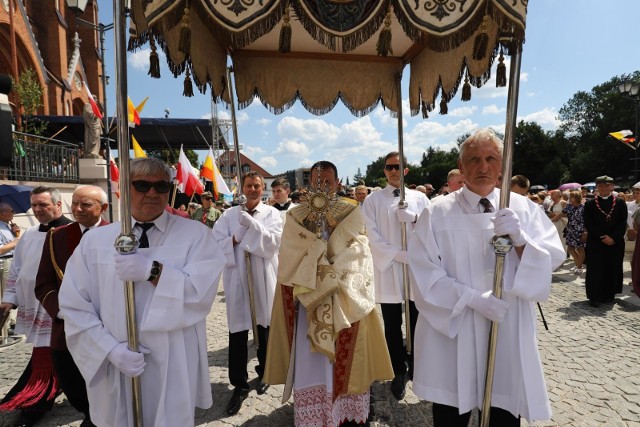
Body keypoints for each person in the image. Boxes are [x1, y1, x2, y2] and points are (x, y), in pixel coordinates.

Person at [408, 129, 565, 426]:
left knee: (504, 411)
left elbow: (553, 258)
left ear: (503, 166)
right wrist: (471, 299)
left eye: (491, 158)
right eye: (474, 159)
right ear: (462, 165)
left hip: (507, 325)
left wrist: (520, 239)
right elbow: (423, 271)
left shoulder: (522, 209)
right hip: (454, 329)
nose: (483, 167)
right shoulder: (437, 213)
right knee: (451, 413)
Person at [58, 158, 225, 426]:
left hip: (173, 356)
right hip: (116, 357)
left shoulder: (196, 235)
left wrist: (153, 272)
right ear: (124, 188)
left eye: (161, 186)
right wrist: (109, 349)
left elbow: (201, 293)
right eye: (142, 185)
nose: (152, 192)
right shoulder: (95, 241)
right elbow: (74, 304)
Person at [264, 161, 393, 427]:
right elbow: (289, 255)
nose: (322, 185)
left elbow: (360, 251)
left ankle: (346, 415)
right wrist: (318, 263)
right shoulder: (296, 215)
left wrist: (329, 271)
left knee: (348, 361)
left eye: (327, 180)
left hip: (344, 298)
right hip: (308, 300)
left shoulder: (352, 211)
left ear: (337, 183)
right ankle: (317, 416)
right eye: (317, 180)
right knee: (313, 361)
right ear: (310, 184)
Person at [34, 185, 109, 427]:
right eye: (74, 203)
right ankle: (89, 413)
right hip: (67, 330)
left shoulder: (119, 235)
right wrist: (62, 311)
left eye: (85, 204)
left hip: (107, 328)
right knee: (72, 382)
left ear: (103, 208)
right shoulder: (58, 236)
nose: (77, 209)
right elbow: (44, 283)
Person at [211, 171, 283, 416]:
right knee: (239, 330)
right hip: (238, 277)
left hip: (263, 275)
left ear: (263, 189)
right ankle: (239, 383)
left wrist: (253, 227)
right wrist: (234, 237)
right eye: (249, 185)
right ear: (241, 187)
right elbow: (215, 243)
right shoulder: (228, 215)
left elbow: (274, 244)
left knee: (265, 326)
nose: (253, 189)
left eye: (257, 186)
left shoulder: (272, 213)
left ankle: (265, 372)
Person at [0, 186, 73, 426]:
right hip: (33, 304)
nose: (38, 209)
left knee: (53, 353)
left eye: (43, 204)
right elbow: (17, 269)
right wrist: (9, 298)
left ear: (58, 205)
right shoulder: (30, 233)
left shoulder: (71, 232)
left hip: (59, 307)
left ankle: (39, 397)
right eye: (35, 205)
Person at [361, 151, 429, 400]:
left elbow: (434, 227)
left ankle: (418, 364)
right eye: (389, 167)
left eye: (397, 167)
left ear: (406, 170)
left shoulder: (420, 198)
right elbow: (369, 231)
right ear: (384, 170)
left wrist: (416, 219)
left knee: (417, 318)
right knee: (392, 323)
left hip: (415, 266)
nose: (393, 171)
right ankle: (398, 369)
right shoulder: (373, 200)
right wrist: (394, 254)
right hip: (389, 267)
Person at [583, 175, 628, 307]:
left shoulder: (620, 203)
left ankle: (609, 294)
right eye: (601, 185)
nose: (604, 188)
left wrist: (613, 237)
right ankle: (594, 296)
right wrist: (602, 236)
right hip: (596, 242)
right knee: (596, 269)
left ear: (612, 186)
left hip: (615, 243)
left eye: (607, 185)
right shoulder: (590, 204)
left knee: (612, 267)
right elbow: (589, 223)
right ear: (597, 187)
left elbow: (622, 222)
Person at [0, 202, 20, 337]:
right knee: (6, 297)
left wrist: (16, 233)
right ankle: (3, 333)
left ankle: (8, 327)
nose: (14, 213)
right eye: (11, 211)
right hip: (5, 262)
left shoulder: (6, 226)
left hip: (11, 262)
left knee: (11, 296)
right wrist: (16, 241)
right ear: (2, 214)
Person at [562, 190, 586, 275]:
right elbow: (562, 214)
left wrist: (585, 231)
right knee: (571, 249)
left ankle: (579, 267)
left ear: (577, 198)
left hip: (580, 231)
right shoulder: (569, 206)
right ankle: (578, 265)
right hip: (570, 230)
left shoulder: (583, 207)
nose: (570, 198)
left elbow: (587, 220)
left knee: (580, 249)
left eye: (572, 197)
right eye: (570, 197)